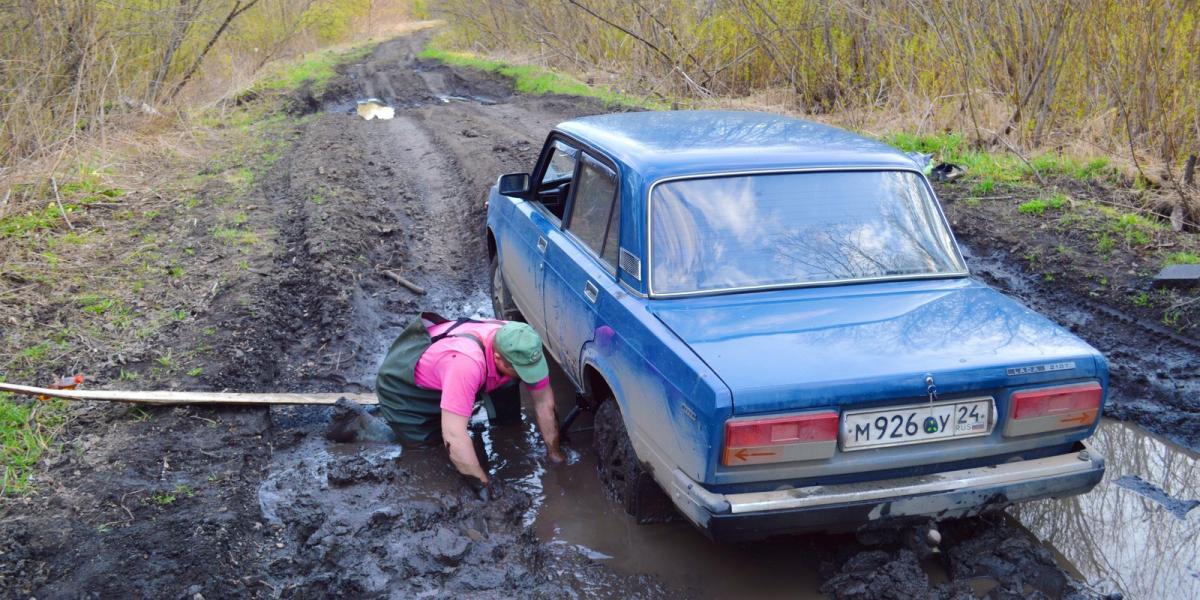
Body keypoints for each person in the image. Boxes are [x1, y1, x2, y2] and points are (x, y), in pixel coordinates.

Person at [328, 312, 565, 491]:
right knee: (427, 449)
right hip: (406, 387)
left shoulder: (522, 341)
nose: (531, 375)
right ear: (498, 358)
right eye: (522, 369)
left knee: (509, 389)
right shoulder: (466, 364)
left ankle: (501, 419)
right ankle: (358, 424)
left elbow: (544, 401)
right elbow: (454, 437)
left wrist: (555, 454)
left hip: (451, 369)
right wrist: (484, 487)